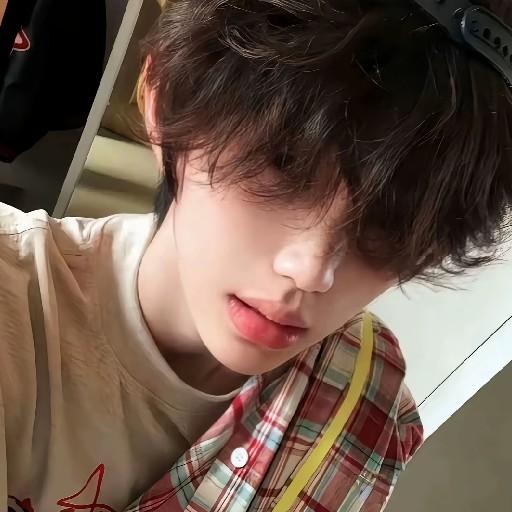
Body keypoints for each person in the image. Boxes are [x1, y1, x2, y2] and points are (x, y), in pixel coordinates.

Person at [2, 0, 512, 510]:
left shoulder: (369, 405)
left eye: (394, 219)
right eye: (284, 164)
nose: (312, 270)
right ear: (165, 103)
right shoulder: (14, 301)